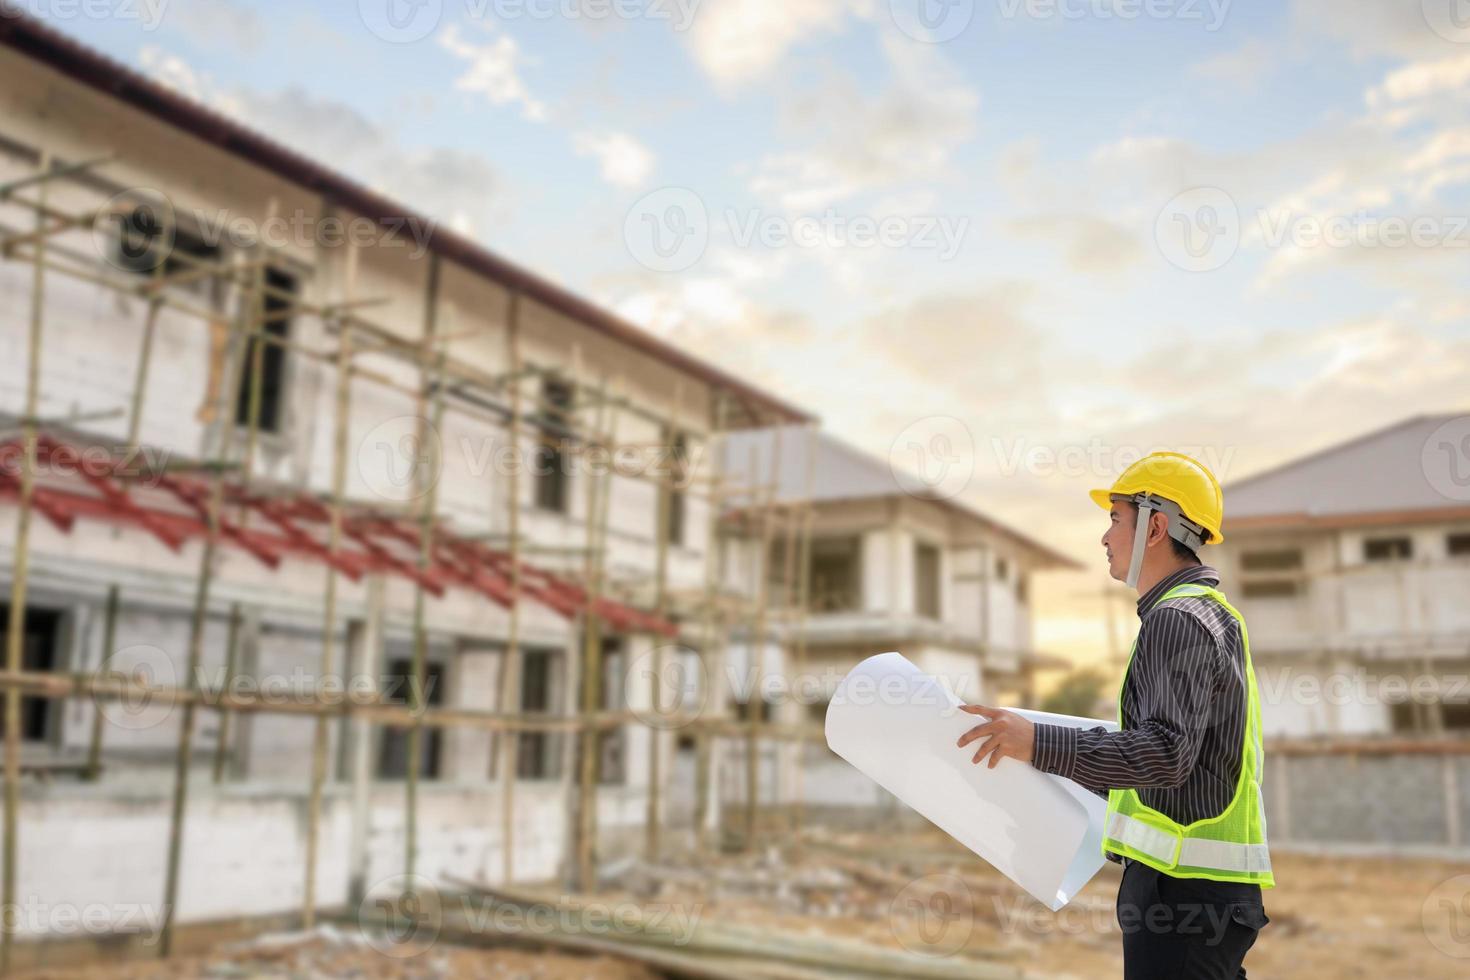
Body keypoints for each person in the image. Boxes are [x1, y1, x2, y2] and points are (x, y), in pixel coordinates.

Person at [955, 451, 1272, 979]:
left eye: (1115, 519)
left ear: (1156, 527)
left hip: (1183, 895)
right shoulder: (1209, 615)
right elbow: (1179, 766)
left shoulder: (1177, 621)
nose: (1105, 537)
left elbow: (1166, 754)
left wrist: (1038, 743)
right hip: (1198, 895)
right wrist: (1046, 765)